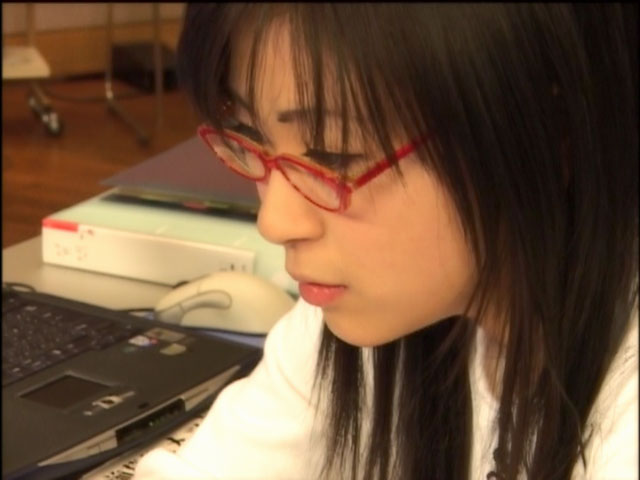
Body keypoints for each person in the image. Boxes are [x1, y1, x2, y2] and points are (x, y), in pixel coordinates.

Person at [133, 3, 638, 479]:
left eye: (334, 154)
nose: (275, 222)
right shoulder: (364, 316)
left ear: (548, 135)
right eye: (250, 136)